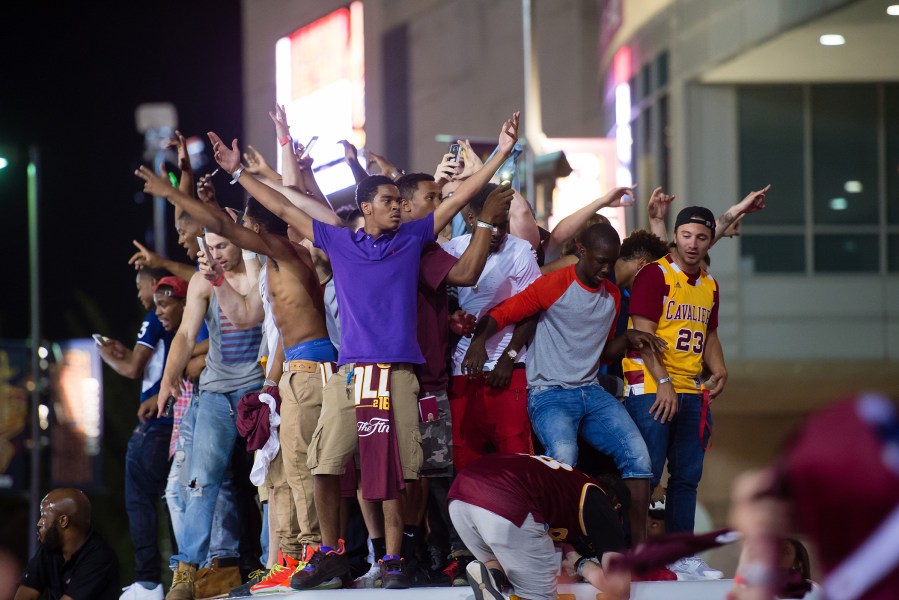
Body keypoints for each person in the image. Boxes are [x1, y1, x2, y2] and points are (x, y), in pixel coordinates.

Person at [216, 111, 520, 589]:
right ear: (366, 207)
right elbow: (283, 204)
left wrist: (502, 150)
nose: (398, 207)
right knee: (325, 464)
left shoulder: (414, 239)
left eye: (400, 201)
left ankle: (395, 560)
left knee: (399, 472)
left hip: (399, 374)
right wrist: (238, 172)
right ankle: (332, 554)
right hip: (351, 375)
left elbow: (461, 195)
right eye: (388, 201)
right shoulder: (337, 241)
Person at [478, 221, 667, 547]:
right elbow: (506, 312)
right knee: (564, 454)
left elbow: (603, 351)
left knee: (639, 457)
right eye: (600, 261)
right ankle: (559, 547)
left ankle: (639, 552)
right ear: (581, 251)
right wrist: (480, 342)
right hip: (548, 392)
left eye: (612, 262)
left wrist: (629, 338)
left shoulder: (611, 296)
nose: (606, 269)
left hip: (590, 390)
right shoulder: (554, 284)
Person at [139, 200, 265, 599]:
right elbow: (183, 334)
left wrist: (219, 282)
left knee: (269, 482)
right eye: (207, 249)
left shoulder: (256, 270)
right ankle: (187, 571)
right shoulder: (200, 279)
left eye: (221, 247)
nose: (214, 256)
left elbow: (250, 316)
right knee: (200, 481)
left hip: (258, 388)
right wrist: (168, 378)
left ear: (237, 241)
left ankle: (273, 561)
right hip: (214, 393)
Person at [622, 205, 727, 580]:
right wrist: (663, 382)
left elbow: (708, 333)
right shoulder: (656, 275)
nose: (693, 244)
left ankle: (681, 555)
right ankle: (631, 553)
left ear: (710, 240)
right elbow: (642, 333)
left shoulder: (710, 285)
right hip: (652, 387)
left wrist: (719, 367)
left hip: (690, 391)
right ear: (676, 236)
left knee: (686, 477)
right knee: (644, 474)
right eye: (686, 235)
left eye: (701, 237)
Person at [442, 183, 542, 474]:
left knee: (516, 461)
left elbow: (532, 311)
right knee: (466, 462)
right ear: (471, 218)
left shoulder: (521, 251)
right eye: (492, 225)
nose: (499, 232)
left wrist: (508, 358)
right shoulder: (454, 250)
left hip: (508, 370)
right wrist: (453, 316)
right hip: (463, 371)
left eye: (504, 224)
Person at [448, 454, 631, 600]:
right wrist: (579, 563)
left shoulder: (567, 484)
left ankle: (492, 579)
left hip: (460, 495)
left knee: (495, 562)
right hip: (505, 498)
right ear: (617, 507)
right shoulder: (600, 502)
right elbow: (620, 587)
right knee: (540, 596)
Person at [96, 267, 176, 600]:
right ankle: (185, 573)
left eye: (140, 286)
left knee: (140, 500)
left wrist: (106, 357)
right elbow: (149, 365)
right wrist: (121, 351)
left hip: (157, 424)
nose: (141, 296)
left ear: (153, 284)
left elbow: (133, 370)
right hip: (173, 419)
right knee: (174, 501)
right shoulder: (167, 316)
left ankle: (147, 581)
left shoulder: (154, 316)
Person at [16, 488, 120, 600]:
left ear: (63, 521)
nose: (39, 523)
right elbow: (26, 593)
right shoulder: (50, 548)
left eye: (44, 516)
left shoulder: (99, 557)